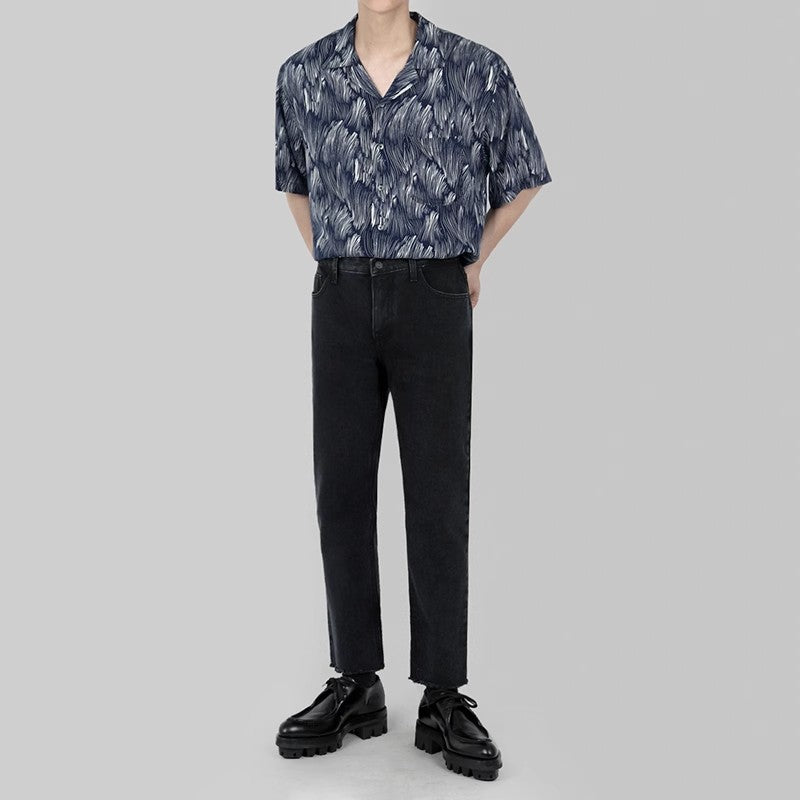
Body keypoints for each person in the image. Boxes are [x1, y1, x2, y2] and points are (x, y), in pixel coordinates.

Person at [273, 2, 552, 781]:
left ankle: (442, 693)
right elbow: (296, 184)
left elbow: (523, 174)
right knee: (340, 489)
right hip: (339, 295)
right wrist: (339, 263)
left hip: (434, 292)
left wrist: (473, 260)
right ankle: (356, 681)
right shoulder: (303, 74)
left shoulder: (476, 70)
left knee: (437, 492)